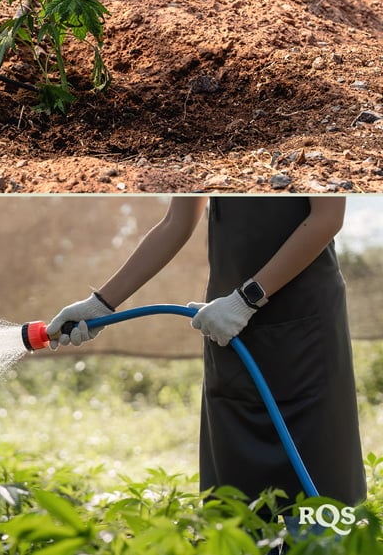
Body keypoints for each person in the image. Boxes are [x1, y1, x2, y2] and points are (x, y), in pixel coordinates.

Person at [47, 196, 366, 513]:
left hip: (303, 331)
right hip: (227, 326)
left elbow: (327, 218)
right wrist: (101, 304)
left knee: (320, 508)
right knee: (235, 508)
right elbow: (176, 223)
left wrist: (248, 298)